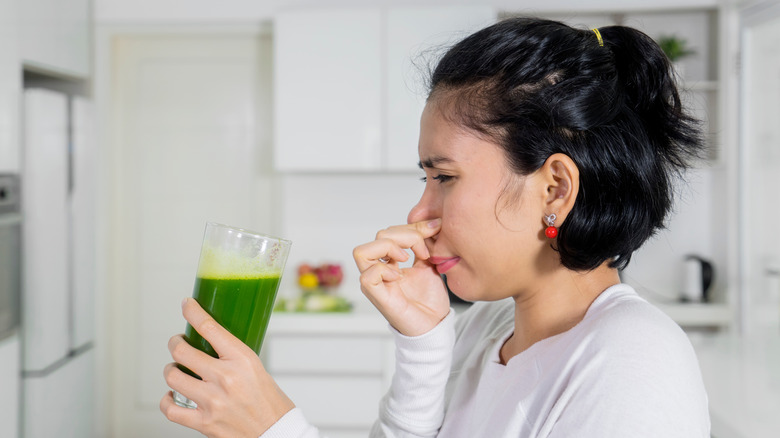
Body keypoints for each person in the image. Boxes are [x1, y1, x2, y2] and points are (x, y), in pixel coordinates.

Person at [161, 17, 710, 437]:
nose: (418, 214)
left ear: (555, 189)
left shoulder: (635, 360)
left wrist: (273, 427)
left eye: (444, 177)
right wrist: (424, 344)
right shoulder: (489, 328)